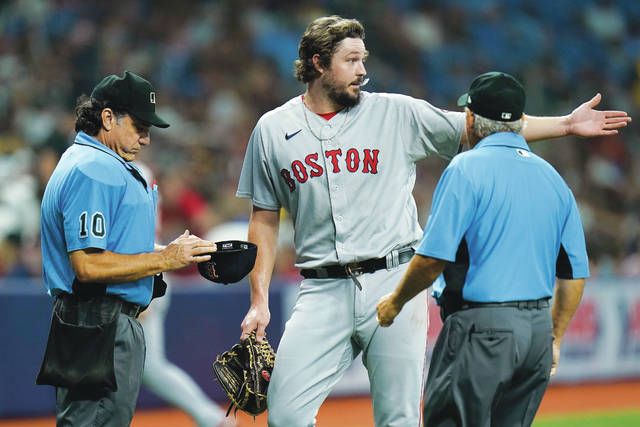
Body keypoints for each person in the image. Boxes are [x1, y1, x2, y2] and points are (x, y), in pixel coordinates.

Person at [236, 16, 630, 427]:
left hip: (393, 277)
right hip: (321, 288)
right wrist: (259, 299)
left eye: (363, 59)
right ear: (318, 63)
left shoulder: (396, 112)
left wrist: (565, 124)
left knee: (400, 419)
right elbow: (263, 218)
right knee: (284, 414)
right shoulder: (272, 129)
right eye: (351, 60)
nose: (362, 70)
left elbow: (483, 123)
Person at [376, 72, 590, 426]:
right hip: (536, 334)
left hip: (481, 328)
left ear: (471, 119)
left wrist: (395, 302)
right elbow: (574, 274)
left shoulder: (465, 168)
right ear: (521, 122)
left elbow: (432, 259)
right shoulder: (553, 178)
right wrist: (555, 335)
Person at [39, 71, 216, 426]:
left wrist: (174, 250)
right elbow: (88, 265)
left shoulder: (97, 162)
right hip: (99, 322)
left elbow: (111, 246)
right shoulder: (94, 168)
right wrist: (164, 258)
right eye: (139, 126)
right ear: (107, 118)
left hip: (99, 322)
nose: (146, 138)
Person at [135, 163, 235, 427]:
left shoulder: (138, 173)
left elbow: (140, 238)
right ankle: (211, 418)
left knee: (150, 368)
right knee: (144, 367)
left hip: (147, 275)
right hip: (150, 273)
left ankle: (211, 418)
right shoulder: (137, 173)